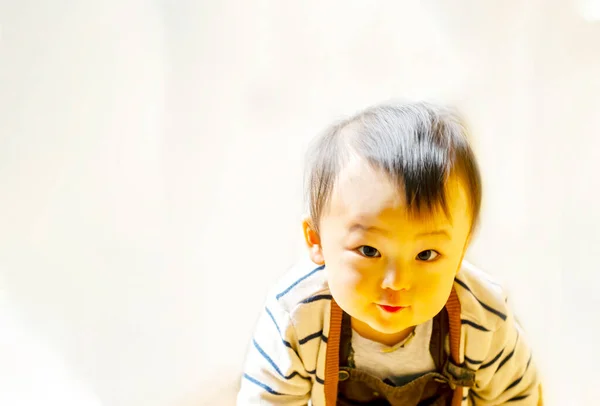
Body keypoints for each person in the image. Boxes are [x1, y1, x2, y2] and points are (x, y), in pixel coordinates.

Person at [236, 101, 541, 405]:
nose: (396, 282)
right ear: (316, 241)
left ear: (461, 253)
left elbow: (517, 398)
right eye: (369, 251)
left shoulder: (483, 316)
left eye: (426, 255)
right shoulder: (296, 316)